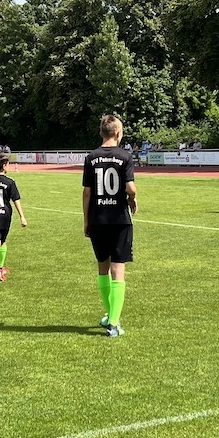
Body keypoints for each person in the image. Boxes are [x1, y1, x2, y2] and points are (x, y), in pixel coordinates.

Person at [83, 113, 137, 337]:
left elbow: (87, 193)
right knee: (118, 269)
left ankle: (109, 315)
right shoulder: (125, 156)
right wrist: (132, 199)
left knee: (102, 268)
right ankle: (114, 323)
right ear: (118, 133)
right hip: (119, 219)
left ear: (101, 132)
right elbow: (131, 188)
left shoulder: (91, 157)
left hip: (97, 218)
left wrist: (86, 221)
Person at [0, 153, 27, 281]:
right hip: (4, 215)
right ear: (4, 166)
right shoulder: (10, 182)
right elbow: (16, 199)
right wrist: (22, 217)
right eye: (8, 164)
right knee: (2, 241)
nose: (9, 166)